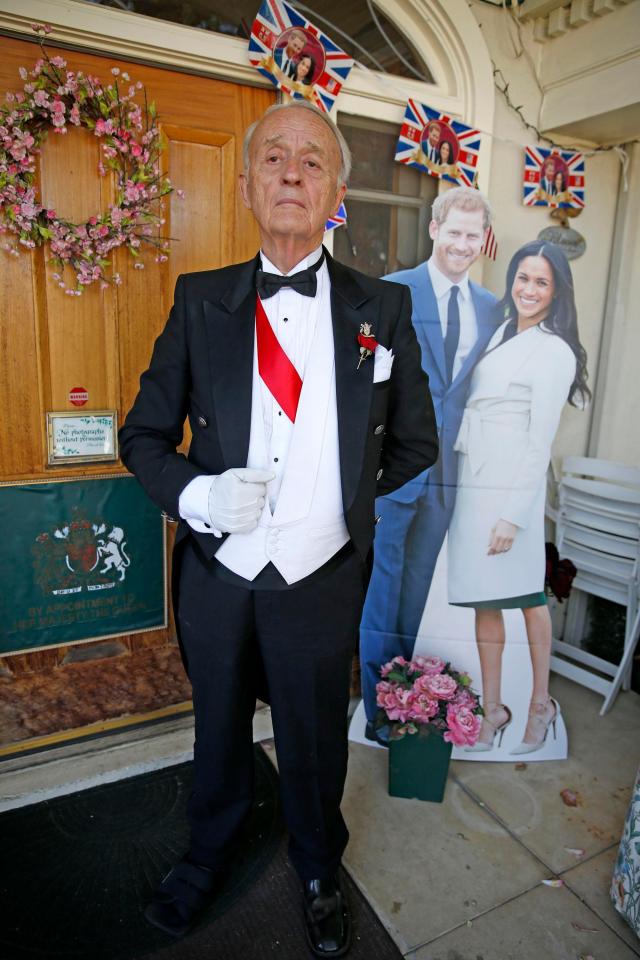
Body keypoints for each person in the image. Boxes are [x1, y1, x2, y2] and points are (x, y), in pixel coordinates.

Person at [119, 100, 437, 957]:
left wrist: (340, 506)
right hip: (220, 577)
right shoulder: (199, 302)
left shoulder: (384, 312)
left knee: (313, 739)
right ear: (246, 184)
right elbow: (142, 439)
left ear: (337, 187)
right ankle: (206, 854)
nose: (292, 172)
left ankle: (317, 868)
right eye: (273, 159)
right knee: (216, 729)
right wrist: (197, 497)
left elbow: (415, 444)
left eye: (310, 160)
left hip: (321, 579)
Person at [359, 186, 496, 742]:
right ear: (434, 229)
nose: (463, 244)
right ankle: (377, 710)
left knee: (417, 588)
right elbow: (364, 380)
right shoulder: (394, 291)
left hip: (449, 473)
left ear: (482, 240)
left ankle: (408, 697)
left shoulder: (492, 308)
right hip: (394, 468)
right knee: (382, 588)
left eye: (473, 234)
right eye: (454, 232)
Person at [447, 240, 590, 754]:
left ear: (557, 292)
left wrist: (512, 514)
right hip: (475, 476)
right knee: (485, 601)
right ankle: (493, 708)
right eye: (523, 278)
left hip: (512, 486)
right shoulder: (503, 332)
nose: (529, 290)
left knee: (529, 599)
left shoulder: (554, 350)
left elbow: (539, 441)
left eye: (542, 282)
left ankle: (539, 705)